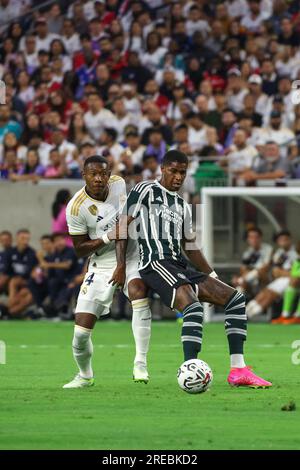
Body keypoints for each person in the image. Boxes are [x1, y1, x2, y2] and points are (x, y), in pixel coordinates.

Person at [111, 150, 272, 388]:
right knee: (193, 307)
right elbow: (122, 226)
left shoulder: (183, 205)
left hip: (179, 265)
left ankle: (238, 370)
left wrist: (213, 275)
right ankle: (191, 372)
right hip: (155, 263)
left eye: (182, 172)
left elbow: (190, 246)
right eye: (173, 171)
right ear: (163, 169)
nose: (178, 177)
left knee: (236, 299)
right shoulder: (145, 190)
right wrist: (121, 265)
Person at [63, 155, 152, 388]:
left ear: (109, 173)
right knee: (80, 334)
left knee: (138, 291)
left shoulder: (118, 184)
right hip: (100, 264)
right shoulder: (76, 207)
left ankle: (140, 363)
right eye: (93, 174)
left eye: (103, 173)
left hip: (130, 255)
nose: (99, 178)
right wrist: (105, 237)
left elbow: (122, 226)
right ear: (84, 176)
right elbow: (80, 250)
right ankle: (85, 376)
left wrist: (121, 265)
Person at [247, 231, 298, 320]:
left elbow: (293, 272)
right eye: (280, 240)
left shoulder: (296, 252)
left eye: (285, 239)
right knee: (266, 292)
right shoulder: (279, 253)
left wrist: (282, 272)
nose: (283, 242)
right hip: (280, 279)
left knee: (271, 294)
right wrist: (281, 272)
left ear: (290, 240)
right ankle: (245, 311)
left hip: (291, 280)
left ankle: (249, 315)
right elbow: (275, 271)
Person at [232, 227, 273, 298]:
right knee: (239, 284)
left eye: (256, 237)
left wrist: (244, 277)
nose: (254, 240)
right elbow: (243, 269)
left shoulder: (268, 249)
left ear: (260, 238)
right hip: (251, 281)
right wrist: (241, 276)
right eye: (251, 237)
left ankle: (241, 281)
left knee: (259, 272)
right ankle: (237, 306)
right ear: (247, 239)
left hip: (265, 280)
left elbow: (266, 267)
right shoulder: (247, 252)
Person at [273, 241, 300, 325]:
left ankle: (298, 316)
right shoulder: (297, 261)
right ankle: (285, 315)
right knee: (291, 284)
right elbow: (293, 274)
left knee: (293, 282)